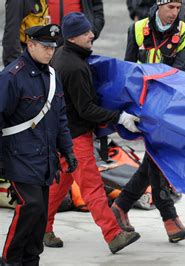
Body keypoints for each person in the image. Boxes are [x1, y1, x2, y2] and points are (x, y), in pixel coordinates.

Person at [44, 12, 141, 254]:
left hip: (62, 133)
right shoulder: (75, 67)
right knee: (92, 187)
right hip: (75, 137)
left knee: (59, 185)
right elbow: (86, 109)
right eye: (86, 32)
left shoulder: (62, 56)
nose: (92, 35)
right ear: (73, 37)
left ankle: (41, 229)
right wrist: (119, 117)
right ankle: (113, 234)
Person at [112, 0, 185, 243]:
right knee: (156, 155)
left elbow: (178, 80)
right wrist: (127, 108)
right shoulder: (137, 29)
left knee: (156, 155)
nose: (175, 13)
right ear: (158, 6)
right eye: (170, 7)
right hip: (138, 105)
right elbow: (127, 70)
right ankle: (167, 217)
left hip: (168, 107)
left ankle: (123, 206)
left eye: (179, 8)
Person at [0, 24, 77, 265]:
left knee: (40, 214)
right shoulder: (11, 76)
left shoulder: (52, 76)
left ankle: (31, 260)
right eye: (45, 47)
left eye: (53, 47)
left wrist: (68, 150)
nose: (50, 51)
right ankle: (10, 259)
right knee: (30, 206)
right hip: (19, 156)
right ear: (30, 44)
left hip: (45, 159)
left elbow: (60, 117)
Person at [2, 0, 49, 67]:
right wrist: (14, 65)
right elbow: (11, 35)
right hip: (25, 54)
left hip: (39, 54)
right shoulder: (17, 2)